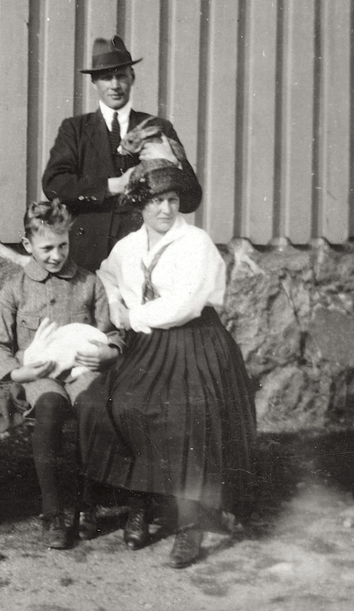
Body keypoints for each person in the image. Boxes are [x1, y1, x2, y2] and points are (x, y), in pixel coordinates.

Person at [76, 162, 257, 569]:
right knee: (120, 405)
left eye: (172, 200)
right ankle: (139, 502)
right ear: (140, 205)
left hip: (194, 341)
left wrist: (134, 316)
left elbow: (186, 304)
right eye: (156, 201)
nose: (166, 209)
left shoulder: (195, 243)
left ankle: (191, 521)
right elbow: (106, 275)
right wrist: (116, 304)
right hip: (145, 345)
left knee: (187, 411)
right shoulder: (129, 246)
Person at [0, 199, 124, 549]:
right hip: (39, 374)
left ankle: (87, 503)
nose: (56, 255)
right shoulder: (16, 288)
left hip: (82, 369)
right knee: (48, 408)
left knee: (93, 407)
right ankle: (53, 510)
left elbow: (111, 333)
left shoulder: (89, 283)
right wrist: (18, 372)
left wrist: (109, 351)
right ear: (27, 245)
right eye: (47, 248)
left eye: (63, 245)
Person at [41, 35, 202, 273]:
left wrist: (172, 161)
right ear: (94, 82)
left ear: (132, 77)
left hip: (141, 254)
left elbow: (191, 201)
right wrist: (113, 185)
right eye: (106, 77)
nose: (115, 85)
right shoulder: (74, 129)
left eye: (121, 76)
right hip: (86, 255)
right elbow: (54, 185)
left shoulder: (158, 128)